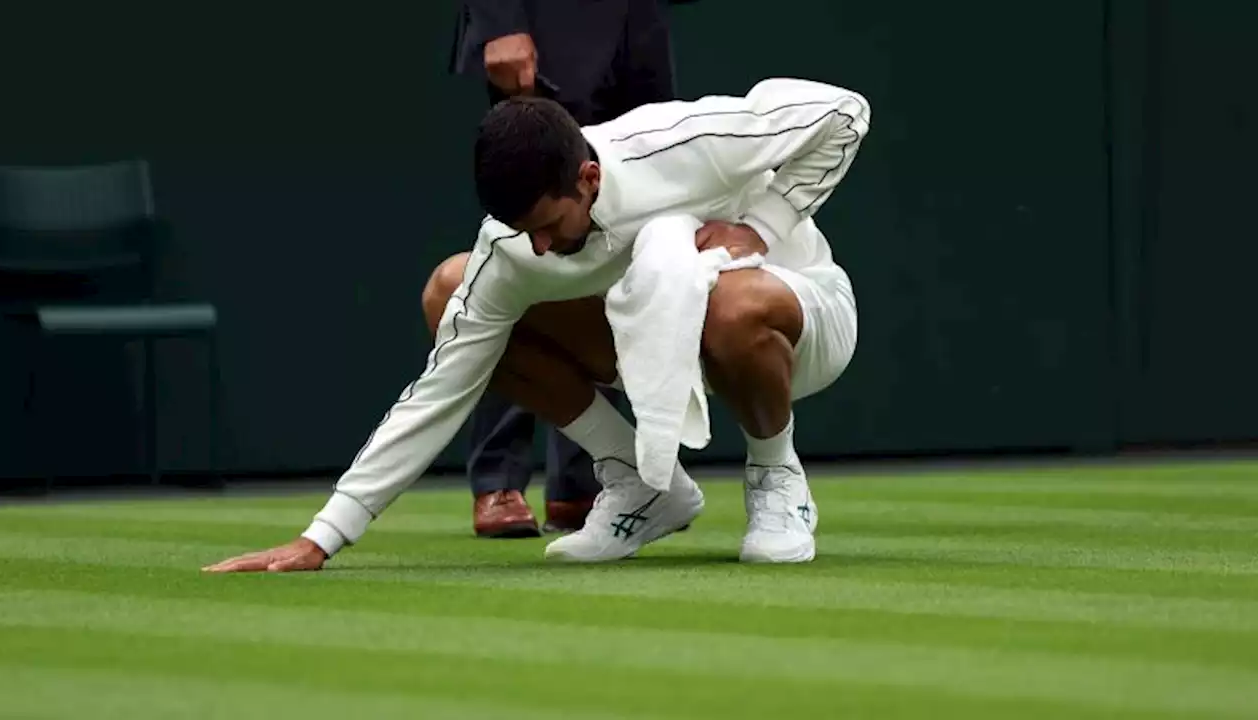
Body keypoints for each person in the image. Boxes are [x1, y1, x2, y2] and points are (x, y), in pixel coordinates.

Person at [202, 75, 870, 573]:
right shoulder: (514, 246)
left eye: (549, 226)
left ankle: (776, 476)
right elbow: (441, 391)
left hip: (799, 323)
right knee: (450, 290)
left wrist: (763, 225)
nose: (540, 249)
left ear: (586, 177)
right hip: (648, 342)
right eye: (526, 234)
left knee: (730, 306)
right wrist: (322, 537)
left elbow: (844, 112)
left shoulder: (683, 143)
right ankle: (637, 485)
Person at [450, 0, 692, 538]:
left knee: (624, 218)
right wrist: (499, 22)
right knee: (532, 226)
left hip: (638, 20)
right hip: (547, 21)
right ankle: (499, 478)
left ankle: (585, 481)